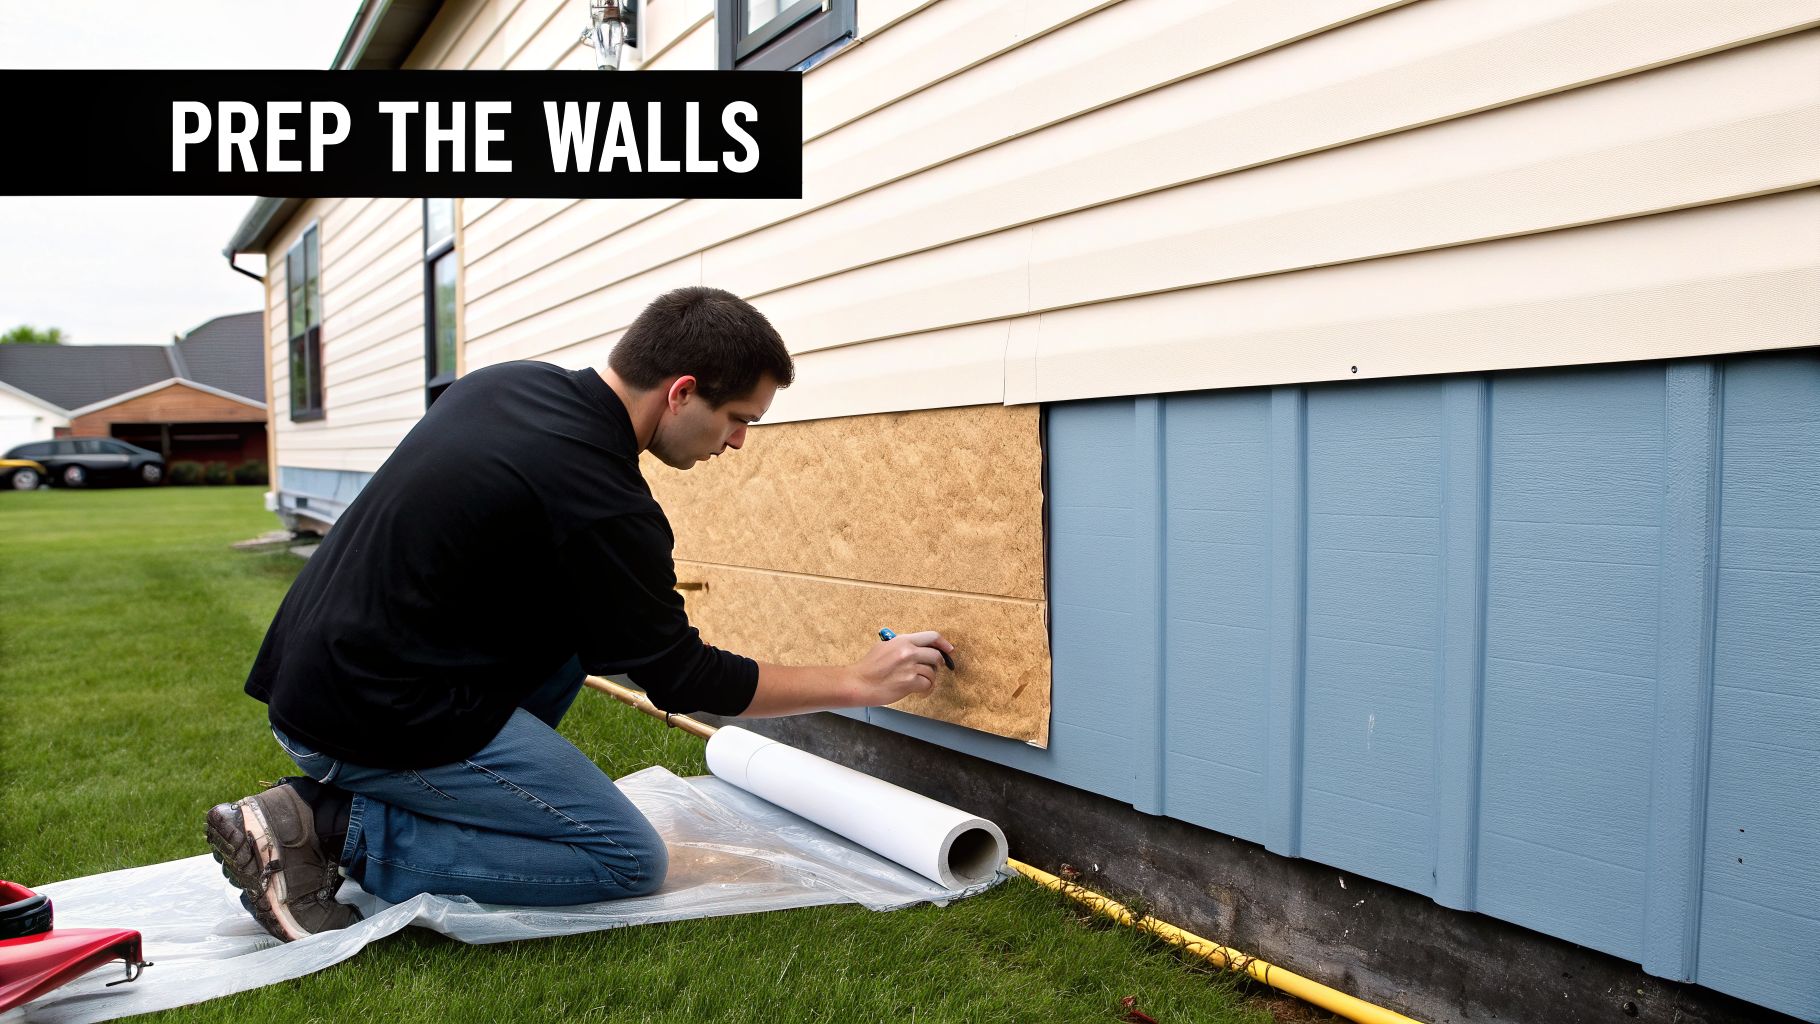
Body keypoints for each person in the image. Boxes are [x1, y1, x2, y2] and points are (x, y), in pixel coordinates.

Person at [206, 286, 955, 942]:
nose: (738, 441)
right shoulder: (600, 499)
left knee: (578, 636)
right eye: (735, 416)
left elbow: (616, 635)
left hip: (318, 676)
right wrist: (858, 682)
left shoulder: (509, 386)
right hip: (364, 713)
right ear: (681, 390)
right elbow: (680, 677)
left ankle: (345, 804)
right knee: (625, 858)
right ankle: (333, 830)